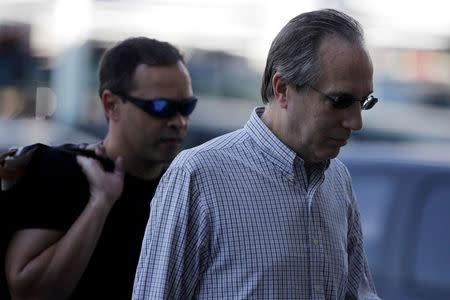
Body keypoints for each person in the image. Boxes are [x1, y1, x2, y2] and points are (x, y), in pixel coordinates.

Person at [132, 9, 380, 300]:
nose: (356, 122)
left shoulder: (337, 178)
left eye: (364, 102)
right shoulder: (198, 175)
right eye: (340, 101)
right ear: (283, 89)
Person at [2, 37, 197, 300]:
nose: (179, 121)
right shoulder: (62, 168)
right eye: (160, 107)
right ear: (111, 105)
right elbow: (28, 292)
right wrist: (100, 203)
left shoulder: (182, 188)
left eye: (187, 107)